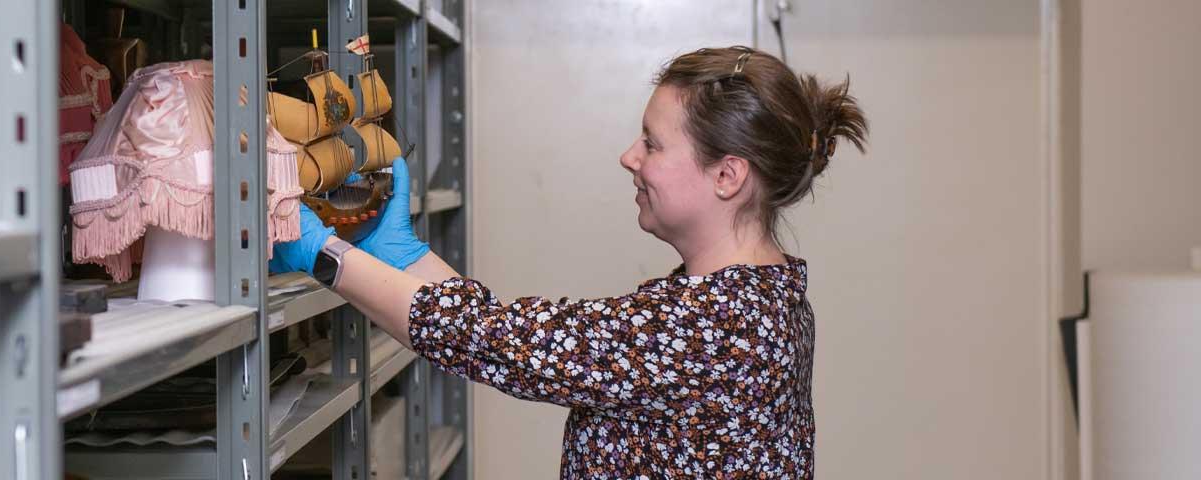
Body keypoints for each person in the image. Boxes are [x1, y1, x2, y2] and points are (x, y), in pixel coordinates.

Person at [271, 46, 868, 479]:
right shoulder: (759, 299)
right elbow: (508, 338)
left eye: (653, 143)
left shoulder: (715, 323)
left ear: (727, 175)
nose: (629, 157)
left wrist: (326, 256)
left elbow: (499, 344)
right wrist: (407, 258)